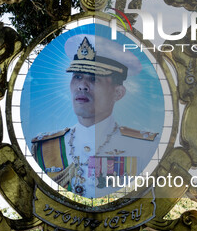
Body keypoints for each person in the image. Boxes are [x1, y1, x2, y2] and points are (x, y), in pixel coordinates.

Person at [31, 34, 159, 198]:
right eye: (77, 76)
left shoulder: (145, 146)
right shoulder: (43, 147)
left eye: (94, 78)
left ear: (118, 93)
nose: (82, 86)